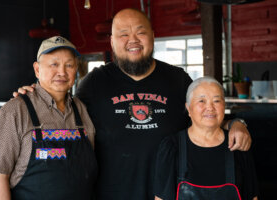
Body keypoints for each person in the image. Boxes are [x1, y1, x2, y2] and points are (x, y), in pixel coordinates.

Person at [13, 8, 251, 200]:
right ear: (112, 41)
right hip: (110, 194)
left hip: (172, 192)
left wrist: (235, 124)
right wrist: (35, 93)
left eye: (140, 32)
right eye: (123, 34)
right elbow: (61, 112)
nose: (132, 40)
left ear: (153, 36)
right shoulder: (94, 82)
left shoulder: (178, 79)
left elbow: (206, 118)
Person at [0, 36, 98, 200]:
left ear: (76, 69)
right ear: (37, 69)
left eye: (69, 65)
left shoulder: (81, 109)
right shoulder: (14, 112)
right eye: (54, 64)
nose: (62, 72)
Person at [154, 77, 258, 200]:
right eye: (202, 101)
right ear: (188, 108)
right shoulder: (172, 146)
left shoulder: (238, 143)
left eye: (217, 101)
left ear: (224, 106)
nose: (210, 107)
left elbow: (252, 197)